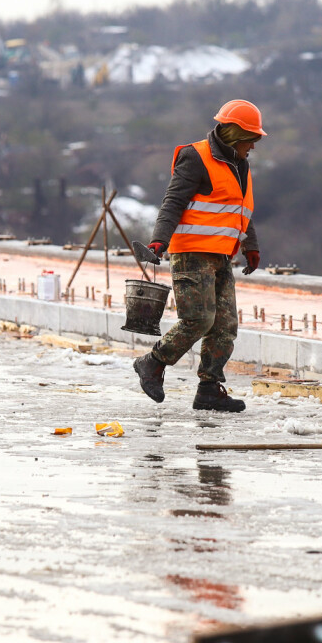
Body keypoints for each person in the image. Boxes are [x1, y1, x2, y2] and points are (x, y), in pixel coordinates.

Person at [132, 99, 264, 412]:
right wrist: (158, 241)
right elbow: (173, 202)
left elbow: (238, 210)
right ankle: (152, 362)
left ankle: (209, 389)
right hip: (191, 254)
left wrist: (250, 244)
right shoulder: (196, 157)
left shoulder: (238, 165)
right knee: (198, 320)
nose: (254, 148)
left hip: (221, 256)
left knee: (225, 325)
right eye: (251, 141)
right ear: (235, 135)